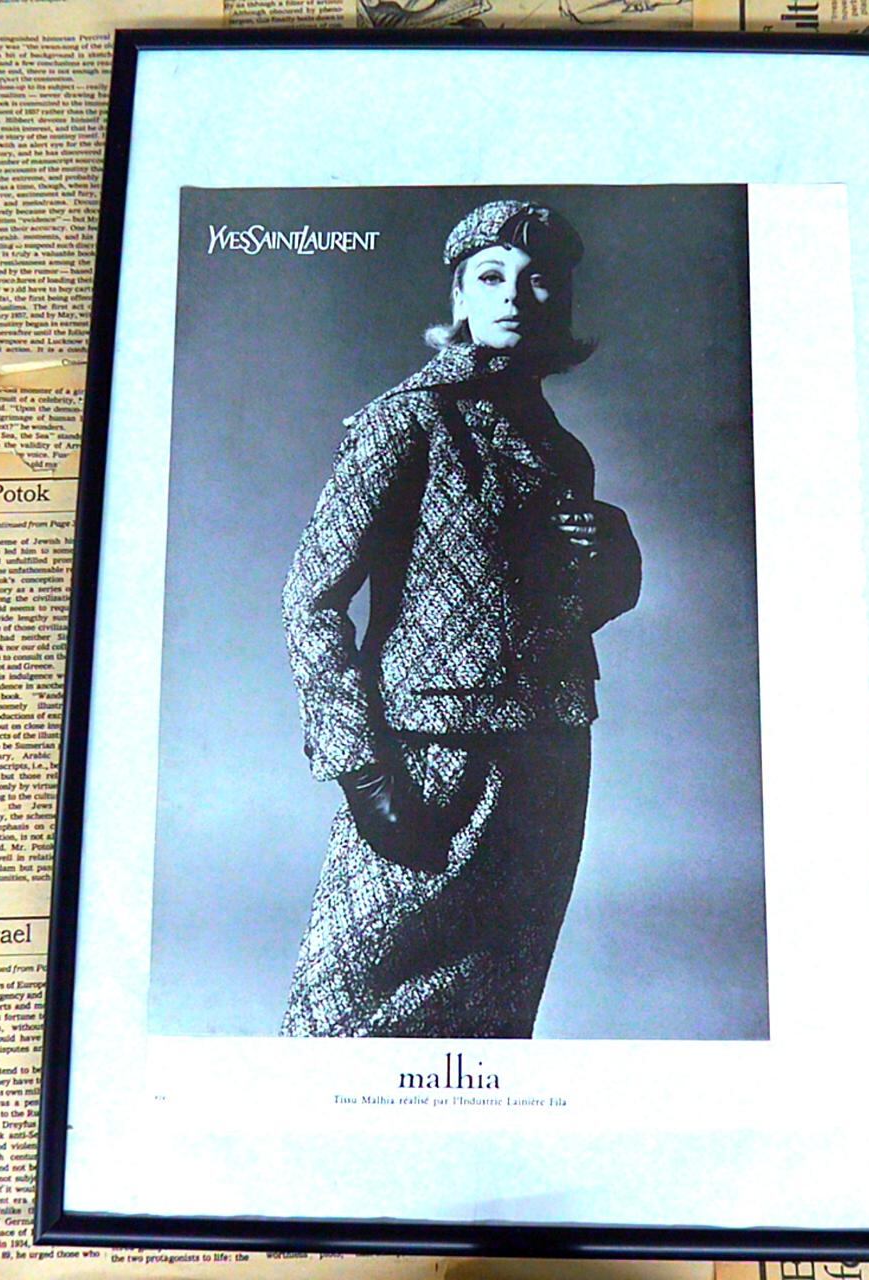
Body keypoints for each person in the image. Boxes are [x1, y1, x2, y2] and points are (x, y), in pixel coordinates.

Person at [279, 199, 641, 1038]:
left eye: (538, 279)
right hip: (431, 761)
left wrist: (614, 554)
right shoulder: (406, 420)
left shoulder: (560, 450)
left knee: (497, 1009)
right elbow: (311, 599)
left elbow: (567, 615)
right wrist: (362, 772)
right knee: (343, 1015)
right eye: (492, 276)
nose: (514, 294)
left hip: (551, 759)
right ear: (461, 297)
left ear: (561, 300)